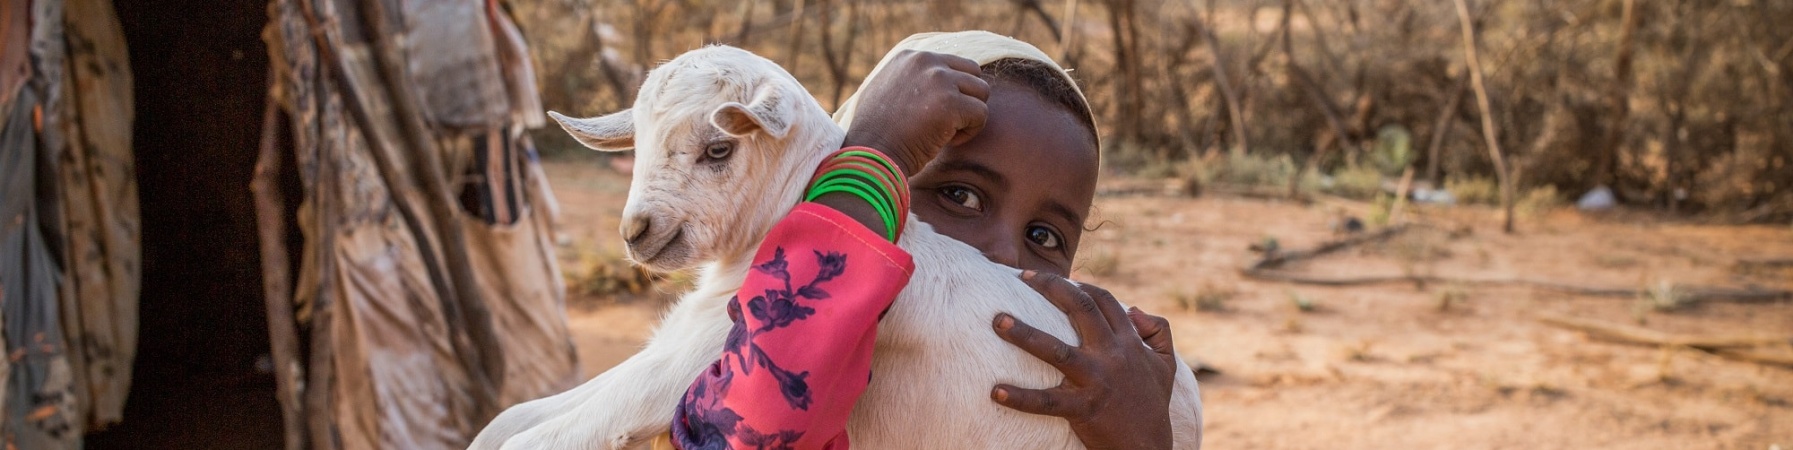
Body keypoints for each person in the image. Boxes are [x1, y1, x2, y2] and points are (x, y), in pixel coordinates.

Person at [668, 31, 1192, 450]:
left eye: (1043, 236)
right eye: (960, 196)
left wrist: (1141, 439)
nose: (1004, 255)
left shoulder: (1055, 412)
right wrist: (876, 150)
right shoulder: (716, 357)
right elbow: (746, 430)